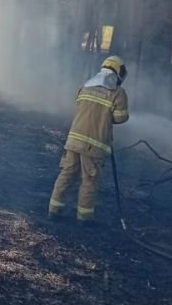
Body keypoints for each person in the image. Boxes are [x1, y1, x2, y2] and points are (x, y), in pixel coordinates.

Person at [48, 56, 129, 223]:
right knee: (89, 181)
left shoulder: (85, 87)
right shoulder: (118, 93)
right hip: (95, 145)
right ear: (118, 73)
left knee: (66, 175)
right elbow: (120, 118)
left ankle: (54, 210)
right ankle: (84, 218)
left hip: (73, 141)